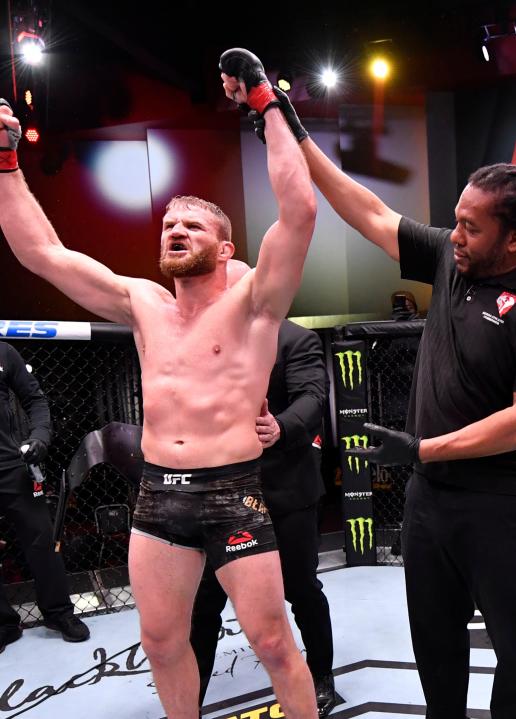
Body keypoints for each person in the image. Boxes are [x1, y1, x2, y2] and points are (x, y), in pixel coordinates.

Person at [0, 48, 320, 719]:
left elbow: (299, 213)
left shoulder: (256, 302)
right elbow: (40, 252)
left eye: (192, 224)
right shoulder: (142, 303)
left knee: (272, 640)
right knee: (162, 641)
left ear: (225, 247)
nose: (175, 228)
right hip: (157, 497)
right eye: (169, 223)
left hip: (232, 491)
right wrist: (6, 163)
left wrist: (264, 103)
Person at [261, 88, 516, 719]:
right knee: (435, 645)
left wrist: (422, 448)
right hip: (429, 500)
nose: (455, 233)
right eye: (456, 220)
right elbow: (367, 212)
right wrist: (292, 126)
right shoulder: (452, 260)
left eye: (471, 225)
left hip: (500, 503)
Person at [190, 260, 336, 715]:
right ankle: (188, 700)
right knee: (204, 600)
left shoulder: (295, 338)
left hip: (283, 488)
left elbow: (313, 396)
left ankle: (323, 676)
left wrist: (281, 427)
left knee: (300, 588)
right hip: (218, 493)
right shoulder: (202, 343)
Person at [0, 342, 90, 652]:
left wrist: (39, 437)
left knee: (41, 538)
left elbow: (35, 399)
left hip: (13, 464)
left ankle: (59, 614)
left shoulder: (4, 353)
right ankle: (4, 625)